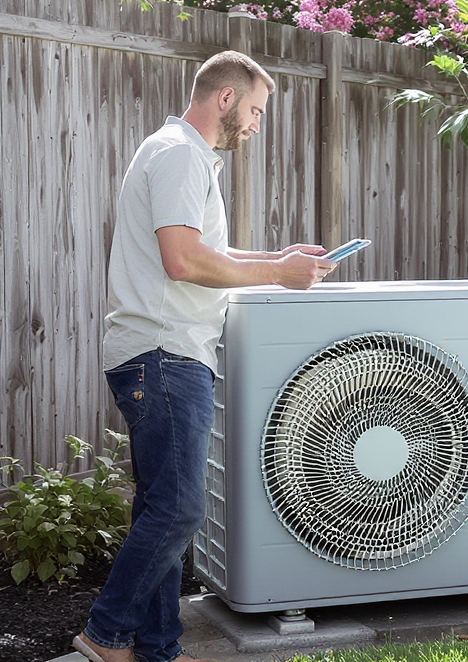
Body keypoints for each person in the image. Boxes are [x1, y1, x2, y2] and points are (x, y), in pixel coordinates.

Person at [77, 51, 339, 662]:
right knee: (180, 509)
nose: (255, 124)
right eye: (254, 110)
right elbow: (183, 263)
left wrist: (279, 261)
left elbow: (200, 254)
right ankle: (105, 633)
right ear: (225, 99)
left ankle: (156, 649)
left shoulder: (186, 156)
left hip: (167, 352)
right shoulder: (179, 156)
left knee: (159, 506)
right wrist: (276, 271)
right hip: (164, 355)